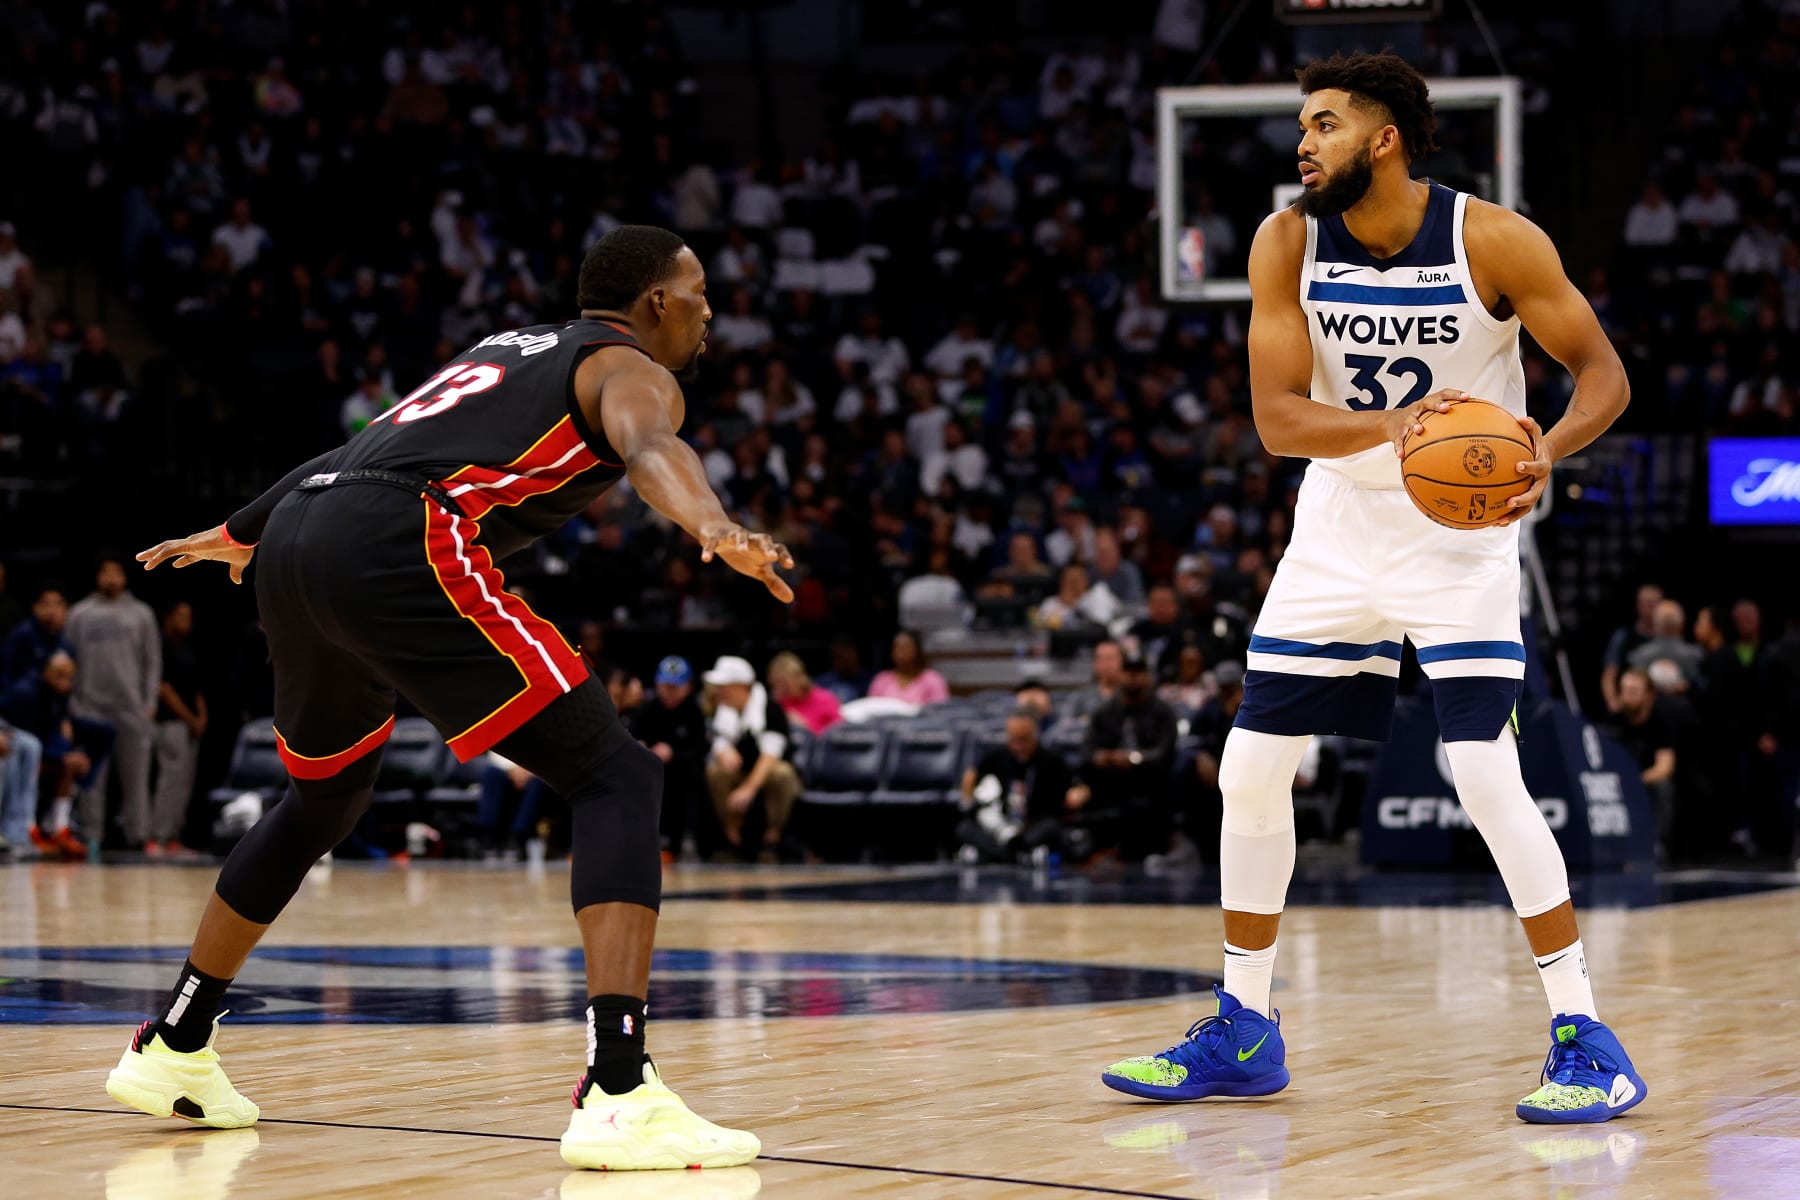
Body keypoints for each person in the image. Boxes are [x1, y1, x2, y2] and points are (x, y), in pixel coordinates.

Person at [113, 226, 785, 1170]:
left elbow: (363, 447)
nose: (711, 311)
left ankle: (174, 1045)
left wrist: (246, 527)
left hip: (306, 530)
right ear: (656, 304)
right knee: (619, 777)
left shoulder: (506, 349)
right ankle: (622, 1091)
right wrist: (715, 522)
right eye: (700, 292)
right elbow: (649, 444)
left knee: (324, 798)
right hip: (401, 537)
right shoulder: (627, 366)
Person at [1102, 54, 1646, 1125]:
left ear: (1384, 137)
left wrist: (1545, 451)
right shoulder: (1285, 240)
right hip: (1340, 533)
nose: (1302, 144)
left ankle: (1586, 1035)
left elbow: (1605, 377)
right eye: (1302, 125)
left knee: (1484, 773)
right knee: (1250, 772)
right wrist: (1396, 429)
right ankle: (1243, 1028)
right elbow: (1278, 421)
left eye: (1324, 124)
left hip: (1460, 544)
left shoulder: (1493, 239)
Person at [65, 556, 161, 850]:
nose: (110, 577)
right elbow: (67, 659)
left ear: (124, 577)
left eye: (115, 572)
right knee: (92, 778)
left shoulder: (141, 613)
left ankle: (138, 835)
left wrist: (150, 701)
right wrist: (73, 702)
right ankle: (91, 835)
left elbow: (152, 661)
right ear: (97, 577)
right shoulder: (80, 613)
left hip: (131, 706)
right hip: (90, 705)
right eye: (104, 571)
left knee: (136, 776)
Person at [1070, 655, 1178, 861]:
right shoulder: (1104, 711)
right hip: (1111, 781)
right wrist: (1102, 757)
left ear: (1146, 676)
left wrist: (1134, 758)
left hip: (1150, 782)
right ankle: (1098, 851)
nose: (1132, 679)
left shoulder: (1162, 711)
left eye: (1138, 673)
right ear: (1120, 675)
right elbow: (1087, 750)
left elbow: (1165, 751)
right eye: (1128, 672)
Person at [702, 655, 801, 863]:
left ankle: (773, 837)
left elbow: (770, 756)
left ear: (741, 687)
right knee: (715, 771)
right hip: (740, 775)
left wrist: (748, 788)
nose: (719, 691)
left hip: (765, 777)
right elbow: (717, 740)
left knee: (781, 773)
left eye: (724, 686)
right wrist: (722, 750)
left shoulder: (770, 710)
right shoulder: (721, 713)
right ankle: (732, 836)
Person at [956, 710, 1080, 864]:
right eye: (1014, 740)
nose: (1018, 747)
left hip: (1032, 826)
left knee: (1051, 827)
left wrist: (1078, 793)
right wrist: (968, 789)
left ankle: (1000, 854)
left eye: (1025, 740)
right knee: (965, 828)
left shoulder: (1052, 761)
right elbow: (973, 787)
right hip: (1000, 827)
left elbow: (1069, 793)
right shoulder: (995, 758)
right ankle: (1015, 854)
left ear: (1036, 736)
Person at [632, 656, 711, 862]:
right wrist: (641, 749)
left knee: (694, 782)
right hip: (650, 773)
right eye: (665, 686)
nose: (669, 692)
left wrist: (673, 752)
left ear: (688, 687)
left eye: (675, 687)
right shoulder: (647, 710)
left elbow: (700, 749)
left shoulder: (695, 713)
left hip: (683, 773)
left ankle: (689, 838)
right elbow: (631, 738)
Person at [151, 600, 206, 857]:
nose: (186, 621)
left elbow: (195, 687)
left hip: (190, 725)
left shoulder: (188, 649)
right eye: (181, 615)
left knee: (184, 782)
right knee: (169, 780)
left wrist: (201, 716)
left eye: (189, 616)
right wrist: (189, 718)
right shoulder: (161, 647)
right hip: (171, 721)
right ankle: (158, 837)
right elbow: (164, 689)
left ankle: (174, 836)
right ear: (168, 618)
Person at [866, 630, 950, 707]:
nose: (901, 653)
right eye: (897, 648)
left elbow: (940, 710)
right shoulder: (881, 680)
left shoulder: (932, 679)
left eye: (906, 648)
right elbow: (871, 708)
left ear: (917, 650)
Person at [766, 651, 843, 734]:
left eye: (783, 683)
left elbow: (840, 735)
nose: (779, 688)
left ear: (798, 679)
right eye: (775, 683)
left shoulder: (824, 699)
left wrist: (804, 726)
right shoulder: (777, 703)